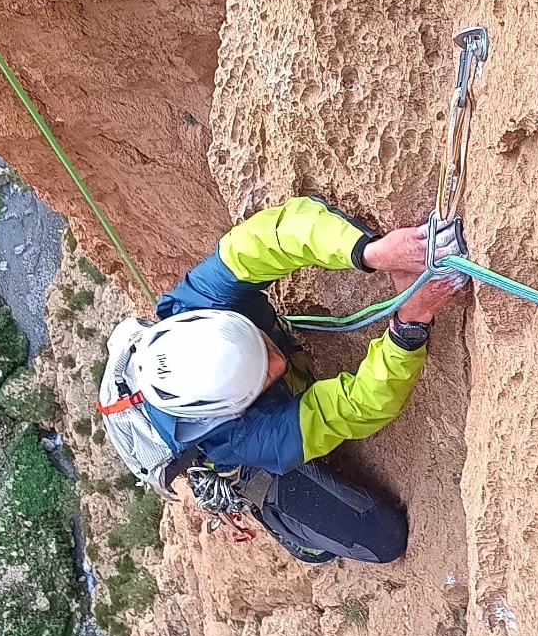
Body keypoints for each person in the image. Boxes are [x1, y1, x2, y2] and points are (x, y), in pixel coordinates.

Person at [101, 196, 464, 564]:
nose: (278, 362)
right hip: (249, 461)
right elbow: (359, 405)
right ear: (231, 409)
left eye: (260, 345)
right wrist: (410, 324)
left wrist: (369, 251)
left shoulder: (201, 301)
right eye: (262, 377)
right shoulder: (236, 438)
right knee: (383, 539)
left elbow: (279, 235)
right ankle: (283, 523)